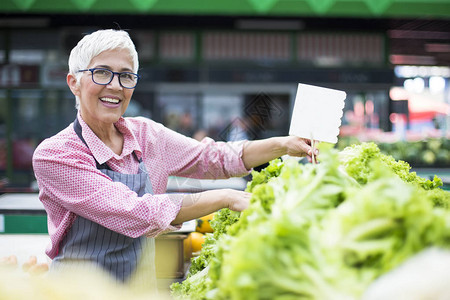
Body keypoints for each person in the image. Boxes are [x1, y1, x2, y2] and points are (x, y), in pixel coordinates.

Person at [32, 29, 317, 286]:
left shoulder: (146, 134)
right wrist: (226, 197)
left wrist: (284, 144)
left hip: (137, 290)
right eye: (102, 73)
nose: (116, 86)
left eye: (126, 76)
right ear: (74, 82)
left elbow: (213, 157)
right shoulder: (55, 155)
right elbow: (134, 211)